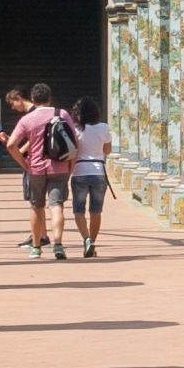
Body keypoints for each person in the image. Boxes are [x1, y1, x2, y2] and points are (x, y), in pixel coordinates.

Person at [9, 81, 79, 259]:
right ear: (50, 98)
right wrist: (71, 165)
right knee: (56, 206)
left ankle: (36, 246)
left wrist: (24, 164)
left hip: (36, 168)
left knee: (36, 206)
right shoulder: (62, 114)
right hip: (59, 166)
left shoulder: (27, 119)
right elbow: (74, 142)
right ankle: (58, 244)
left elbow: (11, 145)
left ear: (33, 99)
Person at [69, 95, 112, 259]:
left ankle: (86, 239)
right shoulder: (104, 127)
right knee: (96, 211)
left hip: (80, 171)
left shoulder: (75, 129)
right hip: (99, 171)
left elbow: (72, 151)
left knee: (78, 210)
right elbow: (107, 150)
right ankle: (92, 242)